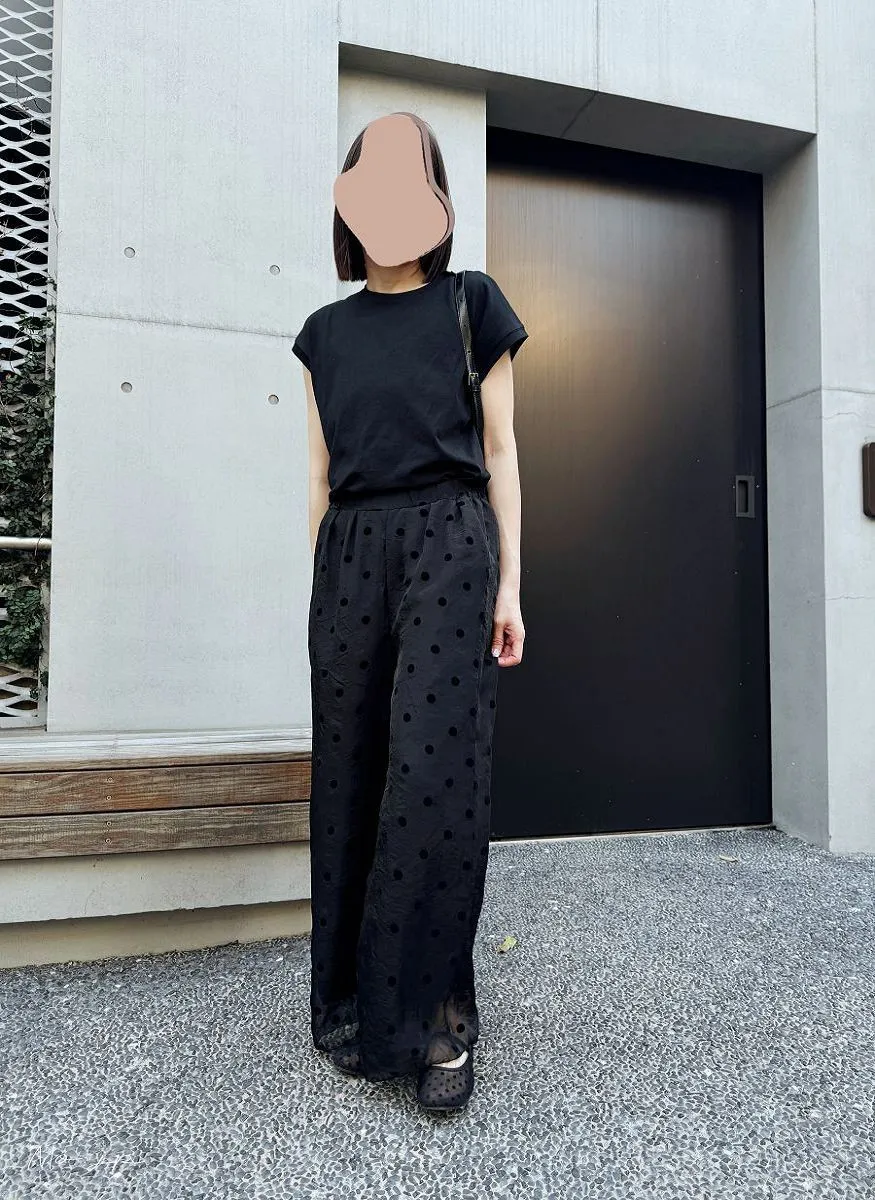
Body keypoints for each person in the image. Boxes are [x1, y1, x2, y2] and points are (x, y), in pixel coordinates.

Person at [292, 112, 528, 1112]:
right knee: (350, 777)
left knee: (432, 783)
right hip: (350, 553)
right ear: (348, 203)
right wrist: (322, 587)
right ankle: (354, 998)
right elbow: (318, 476)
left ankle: (436, 1019)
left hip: (447, 542)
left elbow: (501, 453)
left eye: (409, 179)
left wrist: (509, 585)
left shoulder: (472, 303)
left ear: (436, 200)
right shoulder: (322, 333)